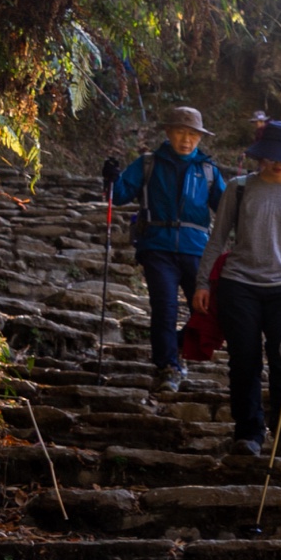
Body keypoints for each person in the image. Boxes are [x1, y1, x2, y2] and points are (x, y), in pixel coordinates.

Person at [192, 120, 281, 457]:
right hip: (239, 285)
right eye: (270, 156)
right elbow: (218, 238)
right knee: (244, 360)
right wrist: (203, 282)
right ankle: (248, 432)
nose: (277, 162)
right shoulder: (238, 188)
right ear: (260, 155)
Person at [108, 106, 226, 393]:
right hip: (157, 247)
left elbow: (227, 210)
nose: (187, 139)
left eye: (193, 134)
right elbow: (120, 196)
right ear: (169, 133)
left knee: (212, 309)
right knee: (165, 308)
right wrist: (112, 178)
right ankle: (168, 366)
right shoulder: (149, 163)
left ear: (200, 138)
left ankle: (175, 346)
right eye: (181, 132)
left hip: (196, 249)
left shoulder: (208, 170)